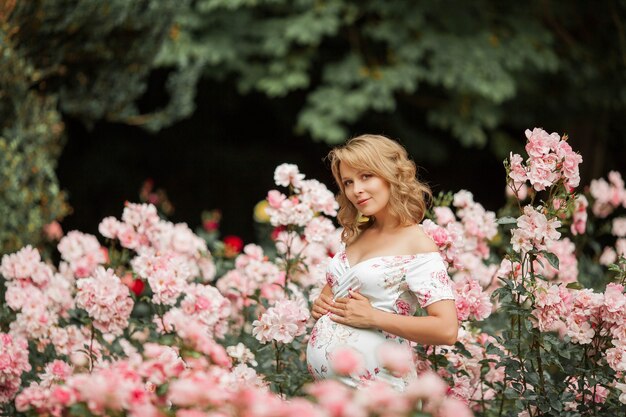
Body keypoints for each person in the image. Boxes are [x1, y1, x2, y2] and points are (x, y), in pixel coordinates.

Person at [306, 134, 458, 390]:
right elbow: (338, 295)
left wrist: (373, 317)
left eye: (366, 176)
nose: (356, 190)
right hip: (334, 398)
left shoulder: (416, 243)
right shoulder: (355, 236)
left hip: (382, 394)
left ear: (390, 175)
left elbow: (446, 329)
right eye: (348, 182)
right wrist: (321, 305)